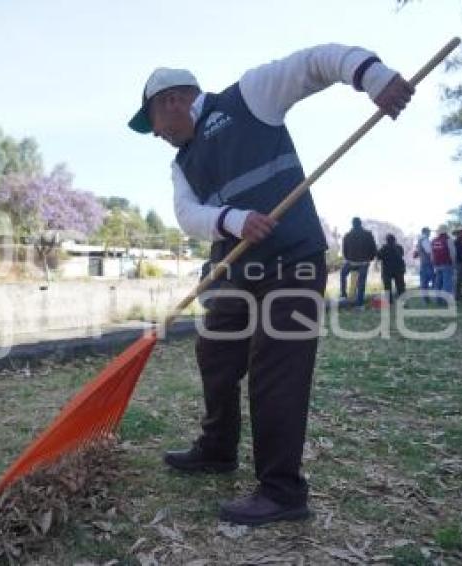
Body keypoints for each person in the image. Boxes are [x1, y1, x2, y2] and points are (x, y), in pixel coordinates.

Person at [128, 45, 413, 525]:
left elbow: (317, 62)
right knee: (215, 355)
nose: (155, 133)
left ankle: (282, 491)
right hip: (235, 273)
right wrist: (232, 219)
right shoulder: (181, 163)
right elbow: (187, 215)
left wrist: (373, 76)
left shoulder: (249, 97)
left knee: (274, 372)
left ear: (172, 101)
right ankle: (218, 448)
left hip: (292, 263)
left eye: (153, 120)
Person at [340, 217, 378, 308]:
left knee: (343, 275)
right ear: (361, 223)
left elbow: (344, 251)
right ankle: (359, 303)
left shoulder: (347, 235)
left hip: (351, 262)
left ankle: (343, 294)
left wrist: (348, 259)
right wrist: (370, 259)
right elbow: (373, 249)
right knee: (361, 283)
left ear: (352, 224)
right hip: (364, 262)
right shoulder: (368, 234)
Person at [431, 225, 456, 304]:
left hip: (437, 264)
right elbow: (452, 253)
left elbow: (432, 254)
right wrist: (453, 263)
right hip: (446, 263)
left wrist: (434, 263)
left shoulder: (434, 241)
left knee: (438, 282)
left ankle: (437, 300)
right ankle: (447, 300)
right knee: (447, 283)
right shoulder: (448, 240)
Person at [377, 233, 405, 302]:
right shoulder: (399, 247)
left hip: (387, 270)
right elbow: (402, 254)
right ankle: (403, 300)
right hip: (398, 269)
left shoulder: (384, 248)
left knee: (387, 287)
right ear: (395, 240)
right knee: (400, 286)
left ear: (386, 240)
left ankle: (389, 301)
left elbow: (378, 257)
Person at [414, 226, 434, 303]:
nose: (430, 233)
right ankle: (436, 298)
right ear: (426, 232)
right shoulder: (425, 239)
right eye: (429, 231)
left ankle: (424, 299)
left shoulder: (419, 240)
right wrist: (433, 260)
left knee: (424, 282)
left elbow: (416, 253)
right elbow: (429, 251)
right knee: (434, 280)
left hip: (423, 262)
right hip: (428, 262)